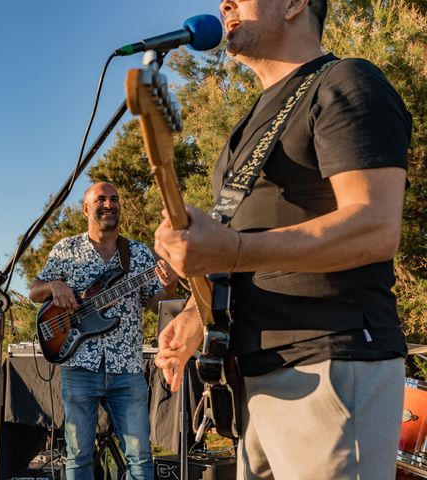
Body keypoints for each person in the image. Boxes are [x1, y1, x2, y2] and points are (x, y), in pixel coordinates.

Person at [153, 1, 411, 479]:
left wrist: (233, 250)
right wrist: (197, 312)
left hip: (329, 361)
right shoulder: (248, 127)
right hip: (255, 377)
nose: (224, 3)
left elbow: (375, 227)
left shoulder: (346, 82)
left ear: (294, 4)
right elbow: (240, 248)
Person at [29, 182, 178, 480]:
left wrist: (170, 283)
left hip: (128, 368)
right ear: (86, 209)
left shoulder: (137, 252)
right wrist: (54, 286)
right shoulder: (67, 250)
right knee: (79, 457)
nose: (109, 204)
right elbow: (35, 291)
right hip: (79, 365)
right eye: (101, 199)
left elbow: (157, 304)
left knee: (140, 457)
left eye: (114, 199)